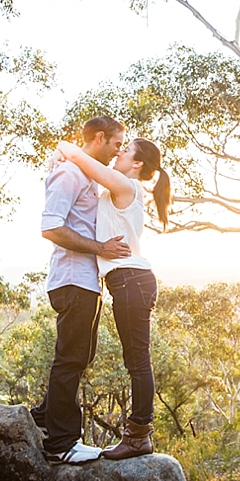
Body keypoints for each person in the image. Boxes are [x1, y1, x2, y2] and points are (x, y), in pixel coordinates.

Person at [55, 136, 170, 460]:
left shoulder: (125, 185)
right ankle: (137, 434)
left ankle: (138, 436)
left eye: (126, 149)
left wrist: (63, 149)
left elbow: (79, 157)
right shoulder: (123, 187)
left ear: (137, 163)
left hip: (131, 280)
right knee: (135, 360)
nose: (119, 152)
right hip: (127, 282)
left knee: (137, 361)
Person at [32, 116, 131, 465]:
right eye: (117, 144)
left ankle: (44, 417)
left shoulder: (83, 172)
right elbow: (51, 228)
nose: (119, 150)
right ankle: (60, 444)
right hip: (72, 279)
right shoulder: (69, 174)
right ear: (100, 138)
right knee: (71, 358)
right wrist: (99, 247)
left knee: (81, 356)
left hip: (87, 282)